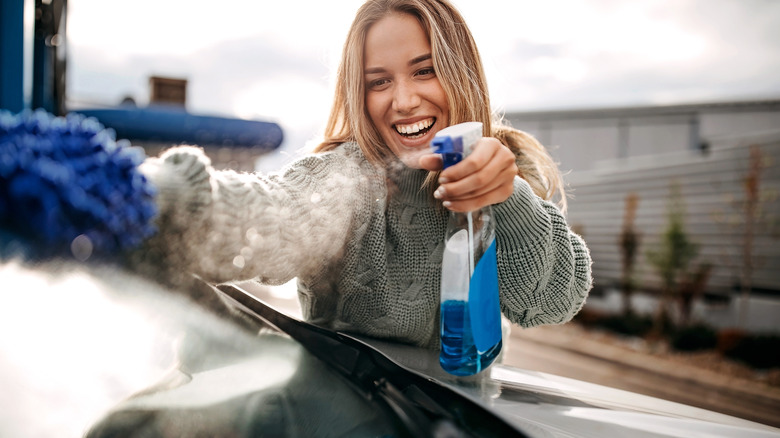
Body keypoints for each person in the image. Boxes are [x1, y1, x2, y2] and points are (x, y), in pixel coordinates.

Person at [135, 0, 592, 349]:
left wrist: (507, 196)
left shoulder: (513, 172)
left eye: (424, 70)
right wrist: (154, 197)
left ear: (461, 72)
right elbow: (272, 211)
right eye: (379, 81)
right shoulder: (349, 180)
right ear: (359, 93)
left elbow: (551, 303)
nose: (405, 100)